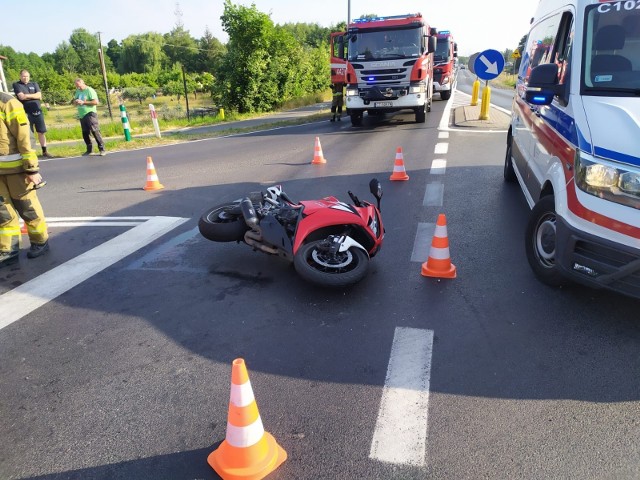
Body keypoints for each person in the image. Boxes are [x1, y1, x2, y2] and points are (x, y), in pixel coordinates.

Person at [0, 92, 50, 268]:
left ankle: (40, 241)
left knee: (26, 207)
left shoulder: (7, 103)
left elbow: (24, 137)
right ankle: (8, 249)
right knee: (2, 212)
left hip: (16, 170)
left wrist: (31, 168)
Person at [12, 69, 53, 158]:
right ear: (20, 76)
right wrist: (33, 96)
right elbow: (21, 97)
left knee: (41, 132)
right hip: (26, 113)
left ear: (29, 77)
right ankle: (30, 152)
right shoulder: (17, 85)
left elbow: (39, 95)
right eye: (23, 76)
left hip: (38, 112)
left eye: (27, 76)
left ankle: (45, 151)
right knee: (28, 134)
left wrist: (27, 95)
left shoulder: (34, 84)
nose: (25, 78)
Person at [73, 78, 106, 156]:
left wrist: (83, 102)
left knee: (95, 130)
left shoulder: (89, 90)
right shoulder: (78, 91)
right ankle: (89, 150)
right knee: (85, 132)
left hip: (90, 113)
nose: (78, 87)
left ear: (83, 83)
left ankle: (102, 149)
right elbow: (74, 101)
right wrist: (76, 101)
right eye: (77, 86)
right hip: (82, 114)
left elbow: (96, 102)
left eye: (79, 86)